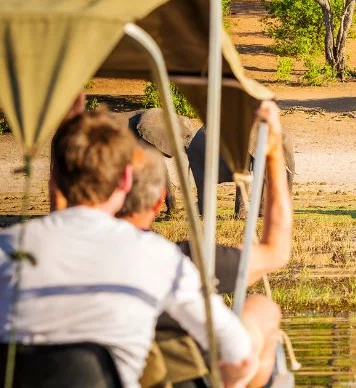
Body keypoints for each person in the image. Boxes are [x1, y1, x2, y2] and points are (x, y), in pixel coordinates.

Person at [0, 109, 256, 388]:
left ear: (54, 182)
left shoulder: (5, 248)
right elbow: (239, 353)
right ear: (125, 181)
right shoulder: (157, 256)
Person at [121, 101, 292, 388]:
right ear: (159, 199)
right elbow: (276, 251)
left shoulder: (23, 253)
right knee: (261, 309)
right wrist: (273, 155)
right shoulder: (175, 262)